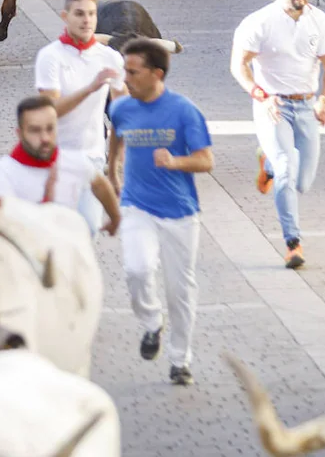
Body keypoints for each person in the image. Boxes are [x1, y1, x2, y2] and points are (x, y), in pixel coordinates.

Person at [108, 39, 214, 387]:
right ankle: (152, 322)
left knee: (180, 290)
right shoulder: (123, 108)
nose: (126, 79)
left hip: (180, 213)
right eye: (125, 71)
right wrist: (113, 172)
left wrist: (175, 161)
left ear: (156, 74)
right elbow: (115, 136)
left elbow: (206, 160)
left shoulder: (184, 111)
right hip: (137, 206)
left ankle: (180, 360)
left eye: (133, 72)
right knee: (136, 270)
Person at [230, 0, 325, 270]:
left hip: (306, 105)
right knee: (286, 173)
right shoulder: (259, 22)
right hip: (273, 106)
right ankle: (293, 242)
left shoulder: (319, 21)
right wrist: (258, 94)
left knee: (303, 182)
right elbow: (238, 65)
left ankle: (265, 163)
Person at [34, 0, 126, 233]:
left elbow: (124, 113)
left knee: (88, 230)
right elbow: (50, 110)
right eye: (79, 14)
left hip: (92, 159)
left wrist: (116, 165)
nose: (86, 20)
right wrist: (90, 88)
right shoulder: (50, 57)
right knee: (57, 234)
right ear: (65, 17)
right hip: (54, 159)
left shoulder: (110, 58)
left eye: (91, 14)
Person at [0, 95, 121, 236]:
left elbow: (99, 184)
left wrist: (115, 218)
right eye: (35, 130)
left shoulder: (73, 161)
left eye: (50, 129)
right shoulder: (3, 173)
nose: (44, 138)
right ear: (19, 133)